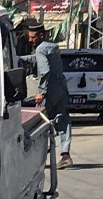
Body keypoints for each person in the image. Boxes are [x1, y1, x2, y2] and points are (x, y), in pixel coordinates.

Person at [19, 17, 72, 168]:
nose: (30, 40)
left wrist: (41, 92)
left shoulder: (40, 48)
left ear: (41, 35)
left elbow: (45, 70)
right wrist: (19, 59)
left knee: (40, 123)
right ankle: (65, 154)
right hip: (61, 89)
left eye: (32, 37)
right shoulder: (52, 47)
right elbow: (37, 59)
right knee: (62, 120)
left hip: (49, 92)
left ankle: (35, 158)